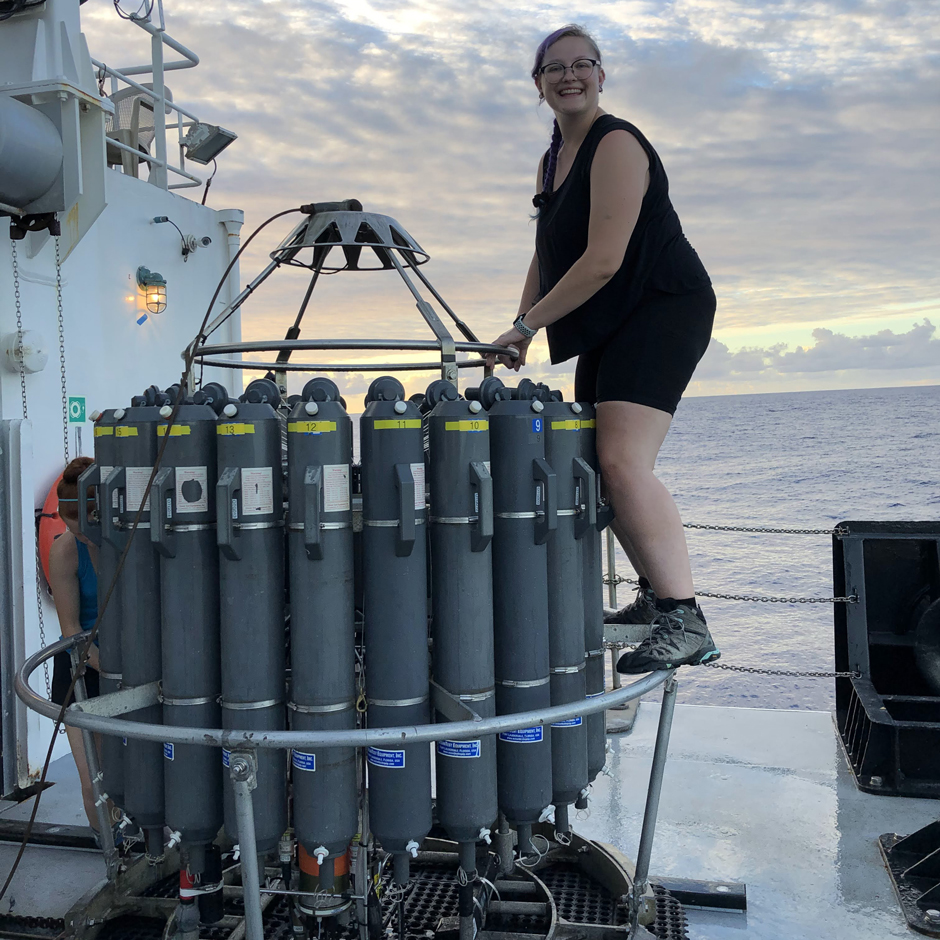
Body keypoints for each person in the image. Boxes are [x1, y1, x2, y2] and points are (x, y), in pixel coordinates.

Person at [487, 24, 720, 673]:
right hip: (610, 319)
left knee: (622, 460)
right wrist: (518, 324)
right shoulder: (552, 160)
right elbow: (548, 253)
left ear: (600, 75)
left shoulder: (616, 143)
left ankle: (685, 618)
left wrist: (528, 326)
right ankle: (656, 597)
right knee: (596, 461)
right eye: (554, 68)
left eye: (581, 64)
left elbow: (602, 260)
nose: (569, 76)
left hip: (662, 305)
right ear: (538, 84)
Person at [47, 456, 103, 832]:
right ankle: (111, 852)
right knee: (93, 782)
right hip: (84, 667)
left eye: (88, 533)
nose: (84, 539)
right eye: (76, 532)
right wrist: (115, 669)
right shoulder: (64, 551)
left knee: (139, 773)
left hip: (134, 662)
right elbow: (71, 628)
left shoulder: (134, 543)